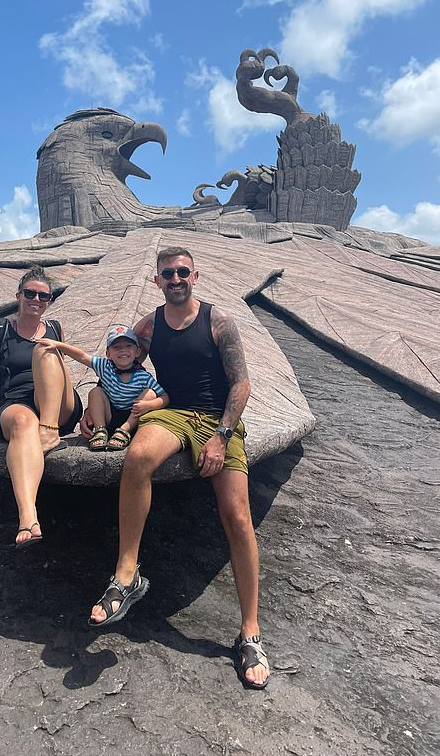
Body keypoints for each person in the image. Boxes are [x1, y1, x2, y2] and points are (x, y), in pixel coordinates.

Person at [85, 246, 270, 689]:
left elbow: (241, 382)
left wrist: (222, 436)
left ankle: (250, 632)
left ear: (195, 275)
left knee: (238, 517)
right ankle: (126, 576)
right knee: (138, 457)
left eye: (182, 272)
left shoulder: (218, 321)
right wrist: (94, 404)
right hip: (172, 412)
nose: (175, 279)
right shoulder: (149, 325)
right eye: (167, 273)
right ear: (157, 280)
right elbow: (120, 360)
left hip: (216, 419)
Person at [0, 265, 82, 548]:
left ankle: (49, 429)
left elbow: (62, 371)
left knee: (46, 350)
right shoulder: (0, 329)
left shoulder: (54, 328)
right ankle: (28, 516)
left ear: (49, 301)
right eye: (31, 293)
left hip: (54, 405)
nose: (36, 300)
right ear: (19, 295)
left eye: (44, 296)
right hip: (15, 402)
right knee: (24, 424)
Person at [35, 324, 169, 451]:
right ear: (108, 353)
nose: (123, 350)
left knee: (150, 393)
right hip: (110, 415)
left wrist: (149, 405)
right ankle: (100, 430)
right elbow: (82, 356)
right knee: (95, 391)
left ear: (137, 351)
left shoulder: (143, 377)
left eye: (128, 346)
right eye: (116, 347)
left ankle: (124, 431)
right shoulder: (105, 367)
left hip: (132, 418)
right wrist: (58, 345)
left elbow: (165, 397)